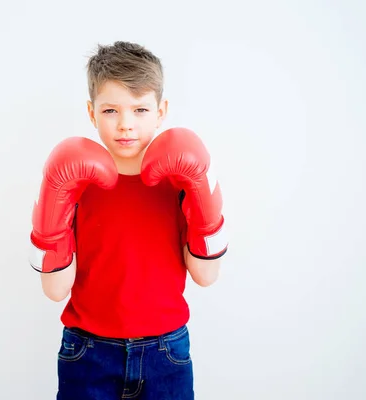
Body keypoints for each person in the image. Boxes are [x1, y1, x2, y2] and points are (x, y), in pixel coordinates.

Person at [29, 41, 228, 400]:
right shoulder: (75, 184)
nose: (125, 125)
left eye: (140, 109)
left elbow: (206, 275)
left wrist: (201, 194)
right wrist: (52, 206)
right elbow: (55, 290)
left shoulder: (180, 182)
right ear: (91, 113)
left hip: (166, 351)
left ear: (161, 111)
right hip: (88, 352)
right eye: (110, 111)